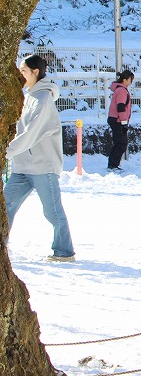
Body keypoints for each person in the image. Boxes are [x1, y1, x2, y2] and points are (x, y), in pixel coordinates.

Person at [4, 55, 75, 262]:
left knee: (52, 211)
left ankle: (64, 251)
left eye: (24, 71)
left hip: (43, 166)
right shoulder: (28, 97)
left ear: (36, 72)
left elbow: (31, 134)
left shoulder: (43, 100)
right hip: (23, 166)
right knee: (5, 205)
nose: (20, 75)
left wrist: (6, 151)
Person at [106, 68, 133, 171]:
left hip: (114, 119)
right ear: (125, 80)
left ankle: (112, 164)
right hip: (118, 120)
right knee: (121, 143)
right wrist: (124, 123)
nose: (131, 82)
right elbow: (121, 107)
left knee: (118, 143)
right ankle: (113, 165)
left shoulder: (119, 89)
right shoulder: (122, 91)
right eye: (130, 79)